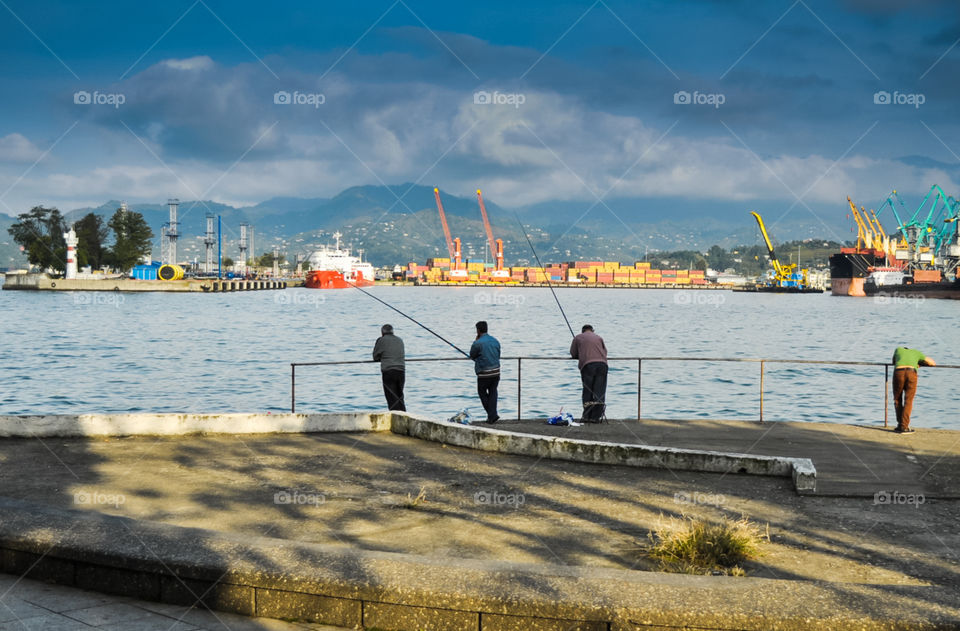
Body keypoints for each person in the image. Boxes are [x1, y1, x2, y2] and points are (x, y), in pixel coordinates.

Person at [891, 346, 935, 434]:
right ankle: (904, 426)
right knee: (909, 400)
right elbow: (932, 363)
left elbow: (894, 362)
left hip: (898, 372)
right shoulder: (916, 352)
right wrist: (919, 363)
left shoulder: (898, 349)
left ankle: (900, 425)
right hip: (911, 372)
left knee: (897, 399)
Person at [570, 324, 608, 423]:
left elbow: (573, 353)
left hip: (588, 365)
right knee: (599, 392)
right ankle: (596, 417)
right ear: (592, 330)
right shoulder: (599, 337)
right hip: (603, 365)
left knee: (588, 390)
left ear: (583, 331)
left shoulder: (578, 337)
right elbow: (605, 352)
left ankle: (587, 416)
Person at [469, 321, 501, 423]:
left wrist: (476, 340)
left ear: (478, 330)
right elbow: (498, 355)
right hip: (496, 372)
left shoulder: (477, 343)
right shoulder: (495, 341)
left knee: (482, 392)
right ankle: (492, 415)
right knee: (493, 392)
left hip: (484, 373)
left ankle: (492, 415)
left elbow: (472, 355)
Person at [373, 324, 405, 411]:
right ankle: (403, 415)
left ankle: (396, 418)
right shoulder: (400, 340)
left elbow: (375, 357)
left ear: (382, 333)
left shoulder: (381, 340)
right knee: (399, 397)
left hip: (389, 371)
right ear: (392, 332)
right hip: (401, 371)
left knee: (391, 398)